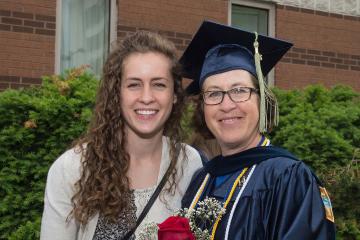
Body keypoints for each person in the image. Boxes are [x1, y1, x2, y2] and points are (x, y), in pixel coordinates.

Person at [181, 21, 335, 239]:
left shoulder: (289, 178)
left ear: (261, 100)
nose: (226, 105)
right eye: (214, 93)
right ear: (203, 107)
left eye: (239, 90)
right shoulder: (201, 179)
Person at [40, 31, 202, 240]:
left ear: (174, 96)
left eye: (159, 84)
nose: (146, 97)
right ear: (116, 94)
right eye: (134, 84)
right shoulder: (72, 168)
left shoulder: (188, 163)